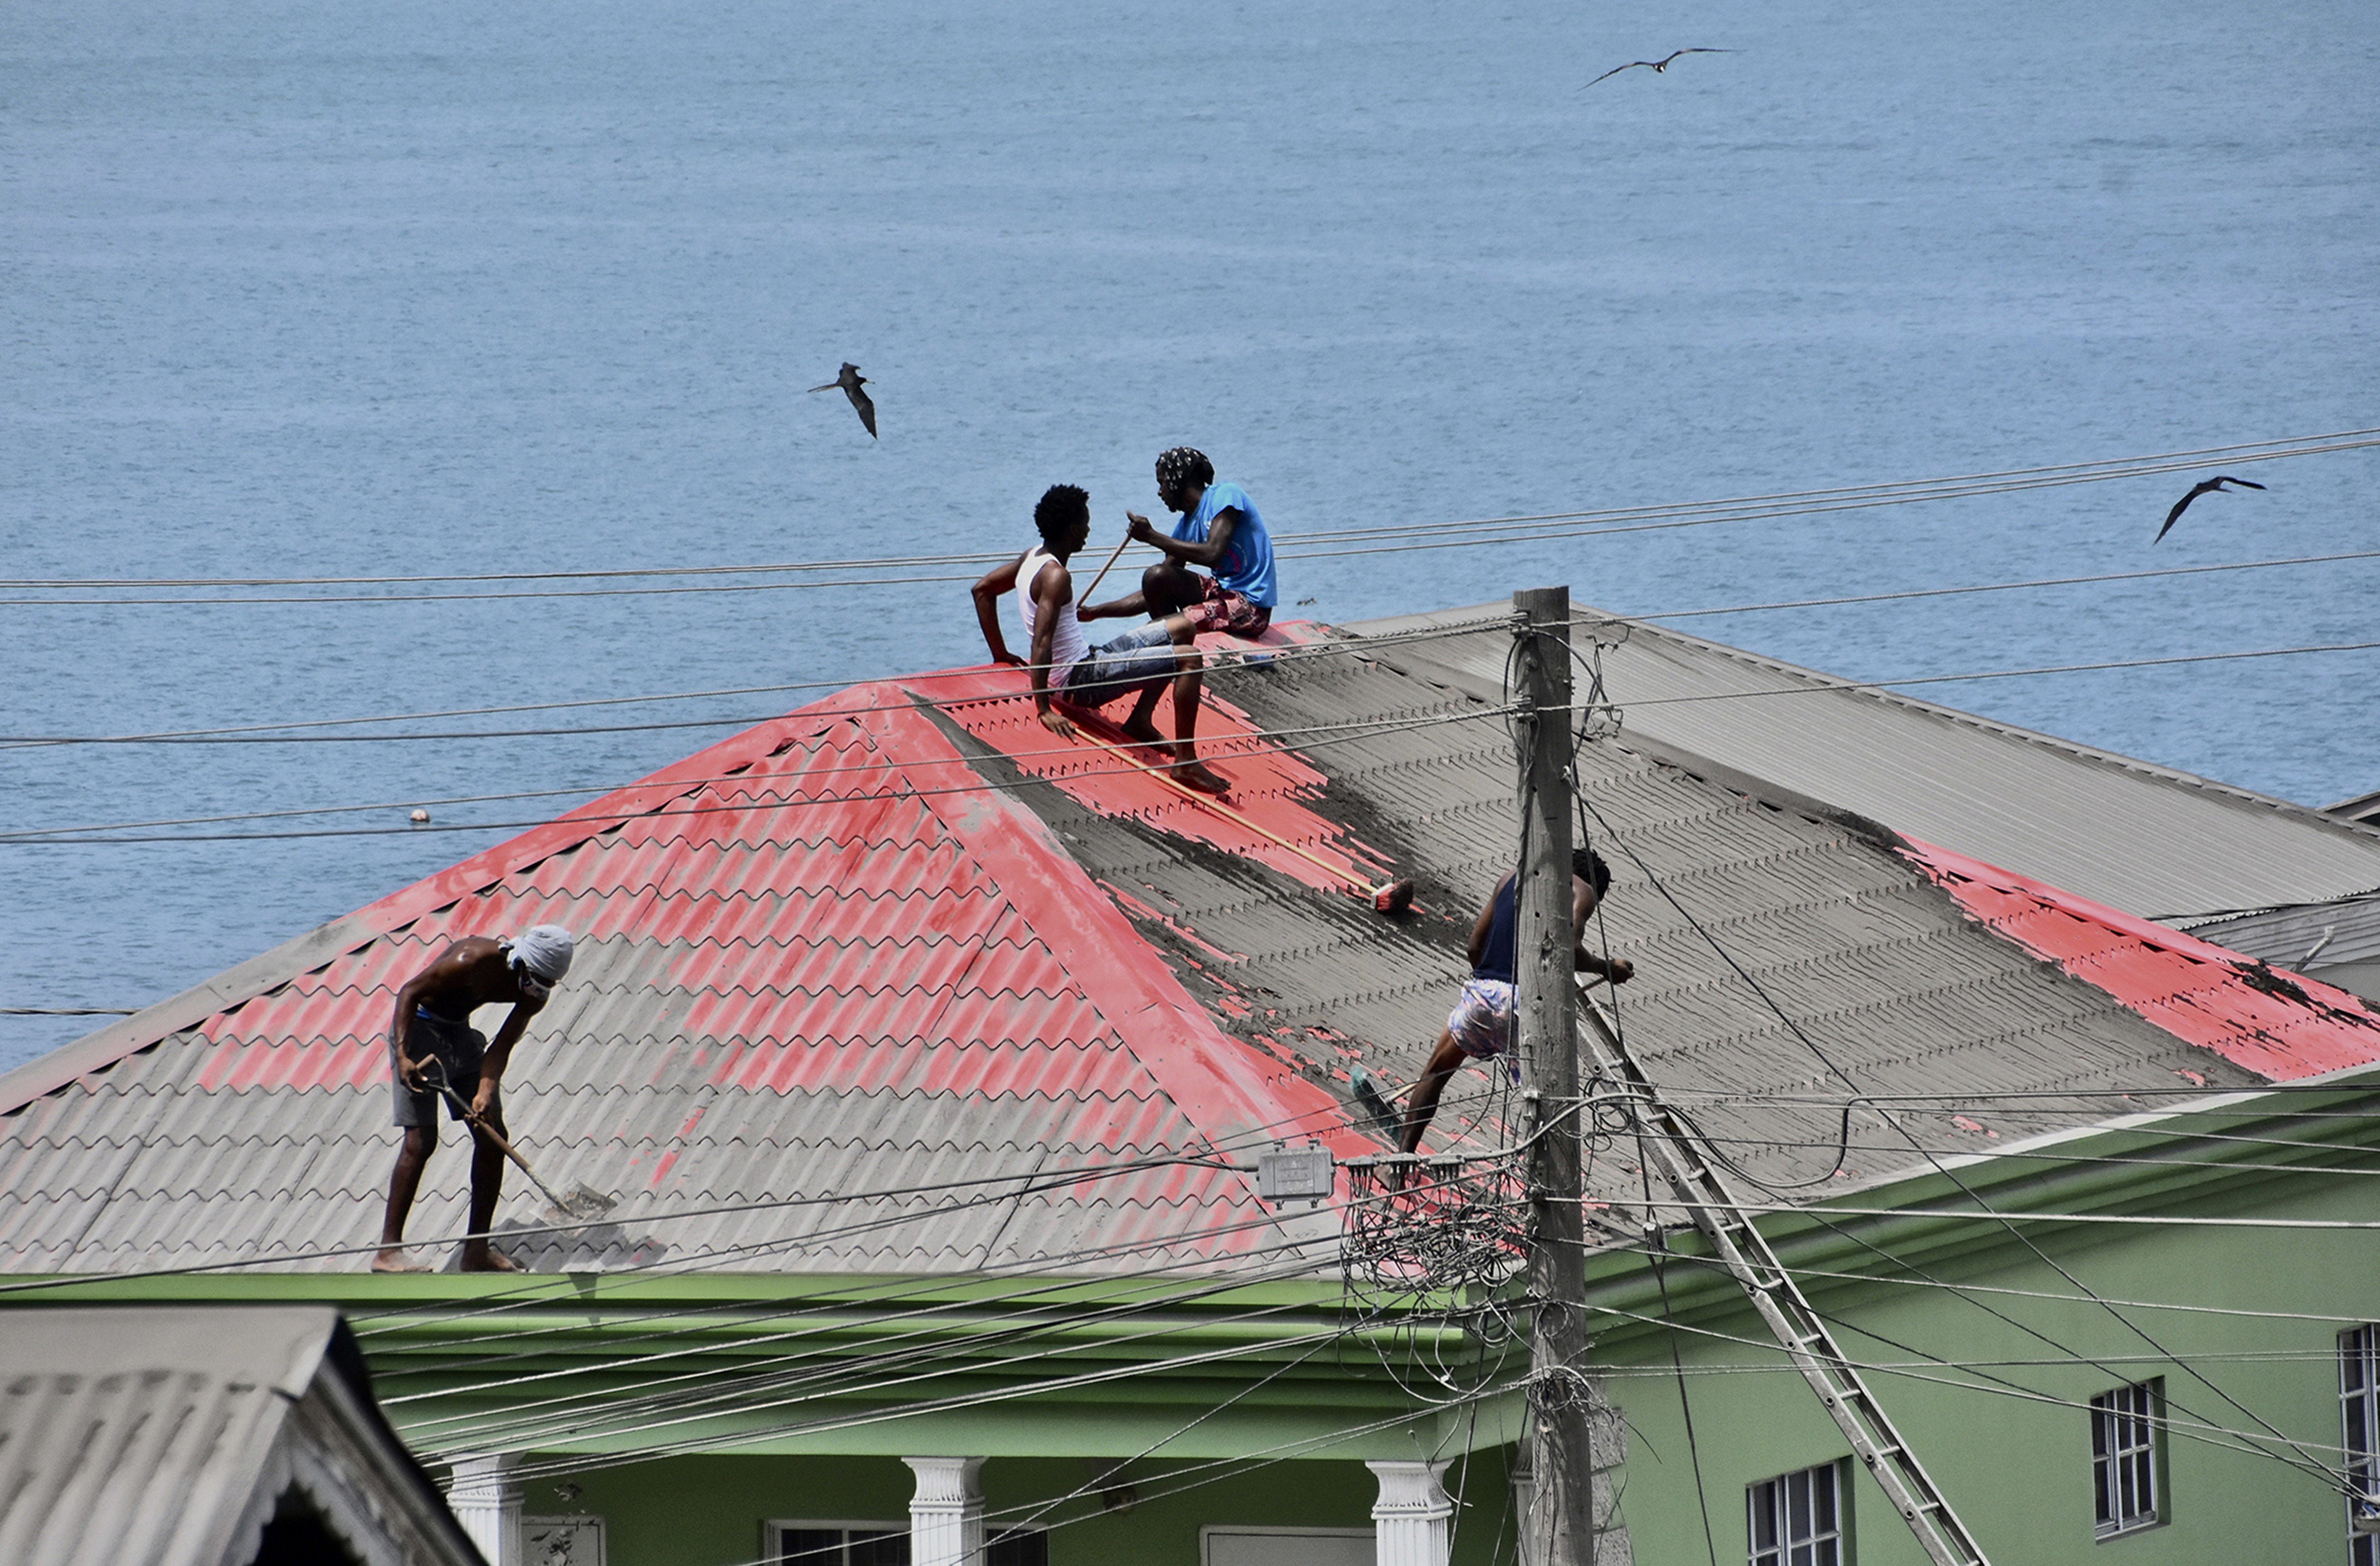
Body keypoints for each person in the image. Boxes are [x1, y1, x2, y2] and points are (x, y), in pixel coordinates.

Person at [972, 483, 1231, 795]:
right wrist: (1043, 709)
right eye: (1085, 523)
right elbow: (1041, 643)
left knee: (1183, 627)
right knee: (1190, 657)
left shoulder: (1032, 557)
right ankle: (1186, 762)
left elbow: (982, 590)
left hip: (1090, 659)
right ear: (1071, 530)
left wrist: (1000, 653)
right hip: (1080, 681)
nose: (1089, 529)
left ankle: (1140, 721)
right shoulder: (1056, 577)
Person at [1398, 849, 1633, 1155]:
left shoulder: (1510, 877)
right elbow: (1570, 948)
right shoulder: (1582, 890)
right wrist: (1607, 968)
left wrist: (1491, 991)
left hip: (1483, 992)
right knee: (1545, 1105)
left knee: (1435, 1073)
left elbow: (1473, 947)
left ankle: (1399, 1162)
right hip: (1528, 1004)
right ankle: (1543, 1189)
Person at [374, 925, 576, 1272]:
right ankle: (388, 1251)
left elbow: (502, 1045)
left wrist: (485, 1090)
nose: (539, 991)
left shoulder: (536, 990)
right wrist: (404, 1055)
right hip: (417, 1030)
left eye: (547, 985)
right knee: (421, 1142)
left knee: (493, 1136)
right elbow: (409, 993)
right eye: (535, 981)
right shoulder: (469, 960)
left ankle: (476, 1251)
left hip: (459, 1035)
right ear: (521, 963)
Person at [1111, 447, 1279, 640]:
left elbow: (1212, 554)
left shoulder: (1226, 495)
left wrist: (1151, 536)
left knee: (1158, 629)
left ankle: (1173, 639)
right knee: (1156, 577)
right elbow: (1150, 592)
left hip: (1250, 607)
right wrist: (1094, 613)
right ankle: (1174, 642)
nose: (1160, 492)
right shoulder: (1185, 526)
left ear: (1178, 479)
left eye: (1162, 483)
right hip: (1221, 593)